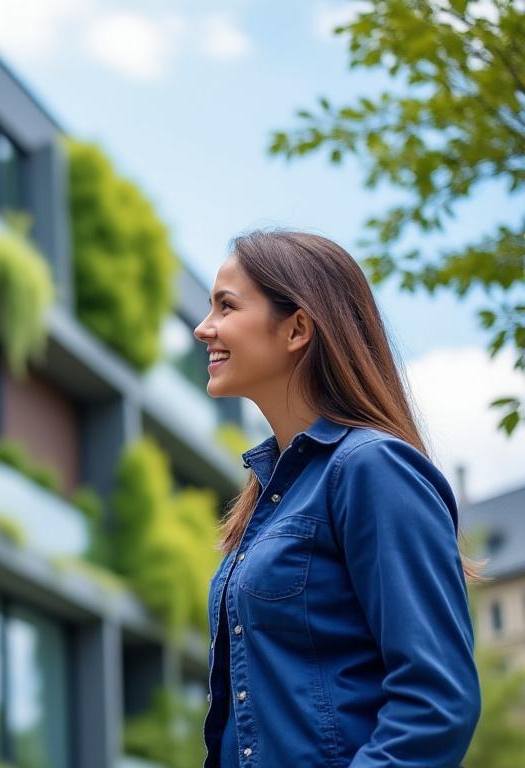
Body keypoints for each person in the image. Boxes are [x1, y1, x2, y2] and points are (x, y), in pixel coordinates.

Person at [193, 230, 479, 767]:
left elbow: (437, 703)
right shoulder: (269, 492)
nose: (202, 327)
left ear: (297, 327)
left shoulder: (372, 469)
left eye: (226, 306)